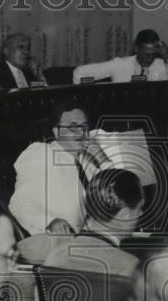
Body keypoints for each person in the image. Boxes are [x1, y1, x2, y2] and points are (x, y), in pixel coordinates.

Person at [8, 100, 112, 236]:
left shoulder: (88, 163)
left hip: (90, 241)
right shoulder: (42, 153)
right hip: (54, 241)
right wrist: (50, 222)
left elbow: (120, 195)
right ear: (56, 132)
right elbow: (19, 203)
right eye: (73, 127)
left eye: (84, 127)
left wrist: (102, 159)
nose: (81, 132)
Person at [17, 168, 143, 278]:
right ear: (124, 215)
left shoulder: (54, 257)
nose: (141, 213)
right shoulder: (131, 268)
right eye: (139, 207)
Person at [72, 29, 168, 83]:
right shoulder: (119, 64)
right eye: (146, 54)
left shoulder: (161, 65)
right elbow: (79, 73)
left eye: (153, 54)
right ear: (136, 49)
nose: (150, 59)